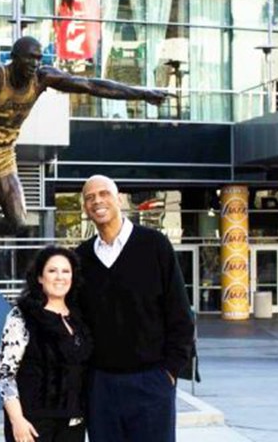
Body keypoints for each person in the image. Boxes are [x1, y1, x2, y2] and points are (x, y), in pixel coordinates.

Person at [0, 36, 168, 264]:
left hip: (3, 154)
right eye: (29, 58)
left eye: (38, 58)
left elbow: (90, 85)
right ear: (14, 58)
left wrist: (142, 93)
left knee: (17, 221)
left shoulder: (42, 79)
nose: (34, 64)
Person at [76, 174, 194, 442]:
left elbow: (180, 312)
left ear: (119, 199)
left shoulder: (155, 244)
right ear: (85, 208)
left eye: (104, 193)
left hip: (151, 380)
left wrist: (170, 371)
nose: (97, 201)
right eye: (90, 197)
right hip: (101, 385)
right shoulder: (81, 257)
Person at [0, 246, 92, 442]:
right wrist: (17, 420)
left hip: (73, 423)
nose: (60, 277)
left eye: (66, 271)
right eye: (52, 271)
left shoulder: (80, 318)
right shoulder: (22, 315)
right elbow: (6, 374)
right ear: (40, 277)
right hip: (32, 424)